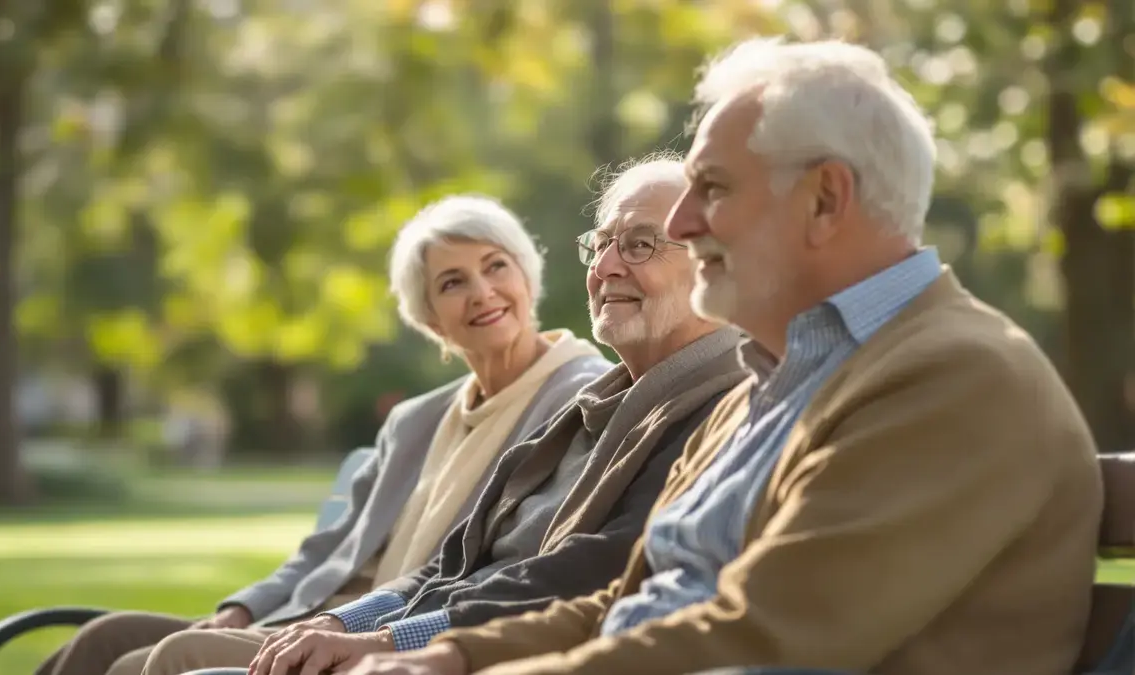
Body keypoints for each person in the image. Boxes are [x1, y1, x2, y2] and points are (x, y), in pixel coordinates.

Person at [347, 37, 1103, 675]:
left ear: (825, 200)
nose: (683, 218)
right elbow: (632, 603)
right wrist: (450, 657)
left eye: (710, 187)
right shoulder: (767, 384)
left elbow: (768, 634)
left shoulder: (954, 377)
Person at [141, 155, 764, 675]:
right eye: (600, 245)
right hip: (422, 639)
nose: (603, 269)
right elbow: (451, 561)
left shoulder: (722, 400)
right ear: (429, 322)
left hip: (482, 656)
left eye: (638, 244)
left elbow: (585, 572)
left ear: (712, 260)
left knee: (184, 665)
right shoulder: (596, 404)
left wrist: (387, 642)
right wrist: (339, 621)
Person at [34, 195, 612, 675]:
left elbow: (526, 562)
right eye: (453, 282)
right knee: (102, 641)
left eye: (495, 266)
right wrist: (244, 607)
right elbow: (325, 550)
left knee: (161, 660)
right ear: (430, 317)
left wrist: (360, 629)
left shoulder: (580, 395)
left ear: (527, 277)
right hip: (312, 616)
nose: (482, 292)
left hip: (396, 631)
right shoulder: (415, 420)